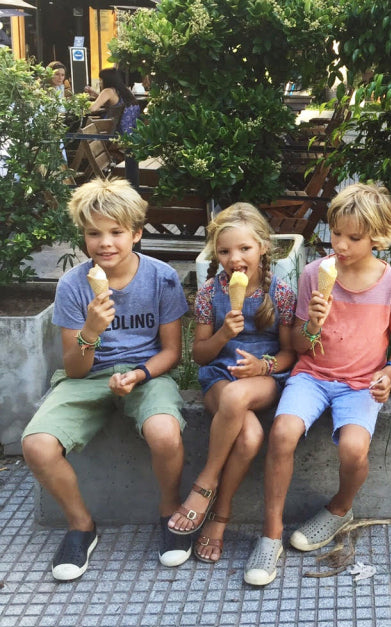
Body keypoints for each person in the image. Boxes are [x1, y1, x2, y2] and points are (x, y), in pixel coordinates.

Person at [244, 182, 391, 586]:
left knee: (355, 448)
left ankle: (341, 509)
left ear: (379, 236)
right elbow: (301, 346)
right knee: (283, 432)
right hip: (314, 375)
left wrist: (389, 372)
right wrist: (315, 323)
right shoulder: (313, 274)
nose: (340, 244)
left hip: (360, 383)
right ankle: (271, 534)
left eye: (354, 237)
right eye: (336, 233)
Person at [21, 178, 192, 581]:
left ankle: (169, 511)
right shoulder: (71, 285)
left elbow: (172, 352)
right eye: (93, 233)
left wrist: (138, 374)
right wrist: (91, 332)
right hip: (87, 376)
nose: (105, 243)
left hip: (146, 375)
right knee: (37, 446)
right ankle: (81, 526)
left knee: (166, 433)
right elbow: (75, 369)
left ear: (135, 233)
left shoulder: (162, 277)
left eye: (116, 232)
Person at [166, 203, 297, 563]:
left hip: (263, 378)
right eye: (224, 251)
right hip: (219, 377)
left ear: (264, 248)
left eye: (244, 249)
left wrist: (262, 366)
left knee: (240, 395)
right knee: (251, 436)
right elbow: (201, 356)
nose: (233, 258)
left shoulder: (281, 294)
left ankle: (204, 484)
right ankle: (220, 518)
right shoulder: (210, 293)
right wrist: (223, 334)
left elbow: (289, 355)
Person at [85, 67, 140, 135]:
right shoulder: (125, 90)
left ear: (107, 80)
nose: (100, 82)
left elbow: (92, 109)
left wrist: (83, 106)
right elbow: (114, 100)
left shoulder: (108, 91)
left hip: (115, 132)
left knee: (86, 126)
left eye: (101, 80)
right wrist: (95, 94)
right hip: (132, 132)